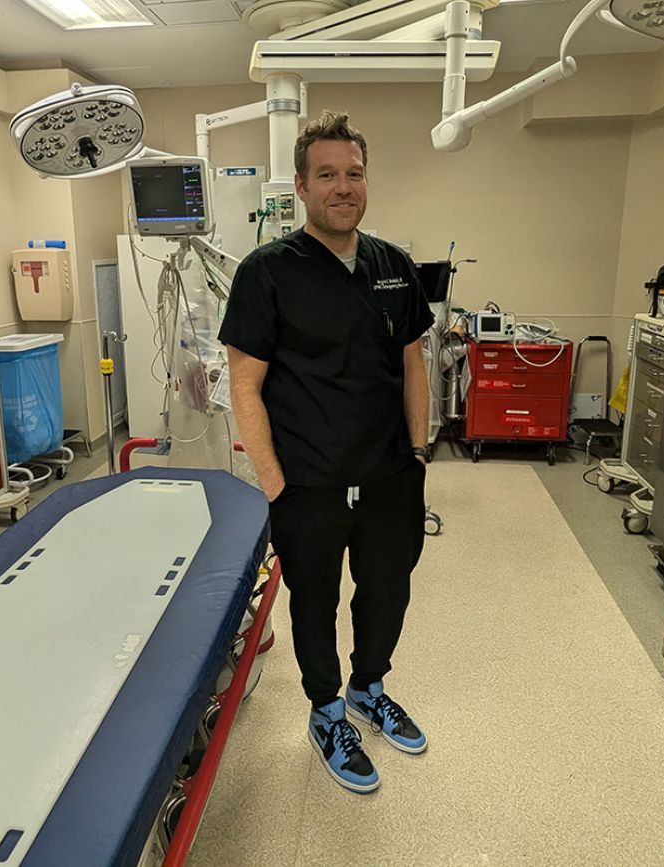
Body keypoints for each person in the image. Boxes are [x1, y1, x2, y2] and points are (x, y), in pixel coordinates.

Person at [219, 109, 434, 794]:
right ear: (302, 188)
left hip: (390, 475)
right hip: (308, 482)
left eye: (354, 174)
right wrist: (276, 483)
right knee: (313, 601)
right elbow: (244, 386)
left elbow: (414, 365)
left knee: (387, 591)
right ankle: (327, 708)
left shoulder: (394, 267)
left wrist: (421, 453)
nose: (343, 187)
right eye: (328, 175)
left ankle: (370, 686)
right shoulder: (266, 273)